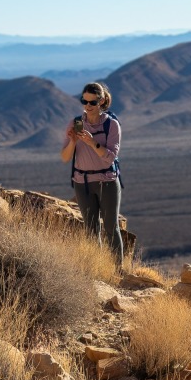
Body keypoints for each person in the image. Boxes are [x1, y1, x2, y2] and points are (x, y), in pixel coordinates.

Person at [60, 82, 123, 269]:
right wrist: (73, 141)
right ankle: (97, 270)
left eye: (92, 102)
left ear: (101, 101)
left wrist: (92, 142)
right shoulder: (76, 123)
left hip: (107, 182)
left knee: (111, 228)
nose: (87, 106)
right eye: (84, 101)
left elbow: (110, 157)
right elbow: (65, 157)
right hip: (82, 182)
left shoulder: (112, 125)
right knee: (91, 229)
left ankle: (116, 270)